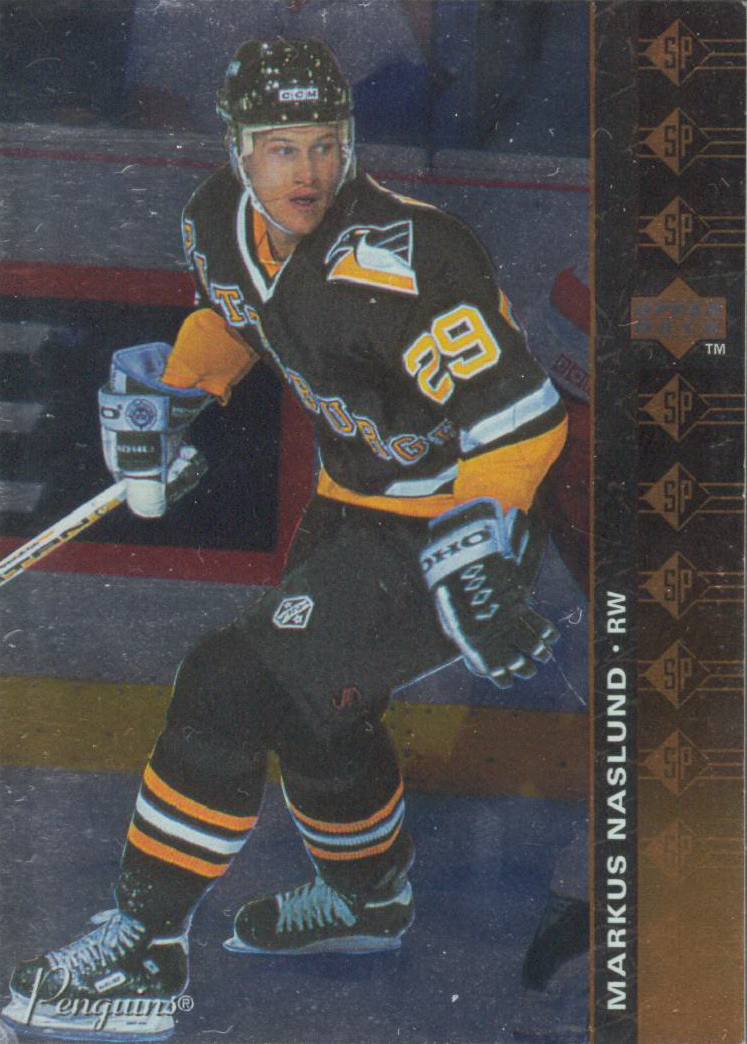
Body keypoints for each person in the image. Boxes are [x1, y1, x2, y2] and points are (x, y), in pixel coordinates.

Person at [2, 38, 568, 1042]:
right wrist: (183, 390)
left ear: (348, 144)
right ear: (237, 150)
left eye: (322, 144)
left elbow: (520, 419)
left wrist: (480, 544)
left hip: (457, 529)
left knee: (232, 679)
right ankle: (365, 901)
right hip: (350, 509)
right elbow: (237, 318)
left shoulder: (412, 256)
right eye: (279, 148)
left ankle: (145, 945)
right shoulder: (216, 222)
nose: (305, 171)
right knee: (320, 712)